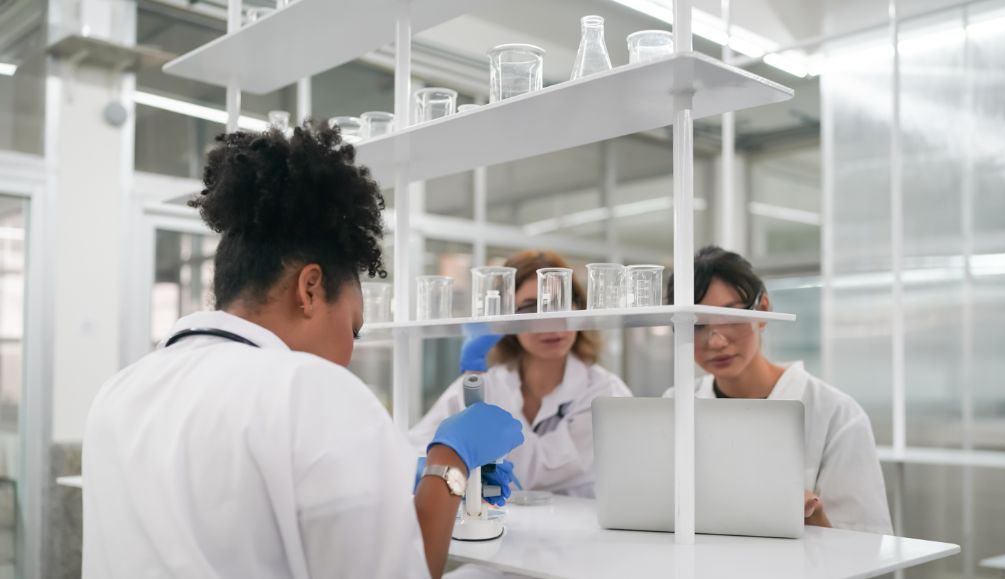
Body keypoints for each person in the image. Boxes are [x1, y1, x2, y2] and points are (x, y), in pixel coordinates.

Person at [81, 122, 525, 579]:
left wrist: (384, 480)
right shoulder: (311, 389)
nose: (349, 352)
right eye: (353, 329)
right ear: (310, 288)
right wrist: (449, 463)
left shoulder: (120, 391)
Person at [665, 245, 893, 535]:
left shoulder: (835, 414)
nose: (716, 341)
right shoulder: (675, 404)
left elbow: (866, 543)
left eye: (731, 317)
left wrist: (814, 519)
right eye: (696, 325)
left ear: (762, 312)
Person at [410, 251, 632, 498]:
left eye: (560, 302)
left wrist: (466, 457)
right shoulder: (487, 382)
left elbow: (537, 472)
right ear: (506, 317)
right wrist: (432, 469)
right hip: (503, 530)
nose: (550, 321)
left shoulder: (606, 393)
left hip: (584, 530)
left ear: (578, 308)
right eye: (530, 308)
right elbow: (414, 448)